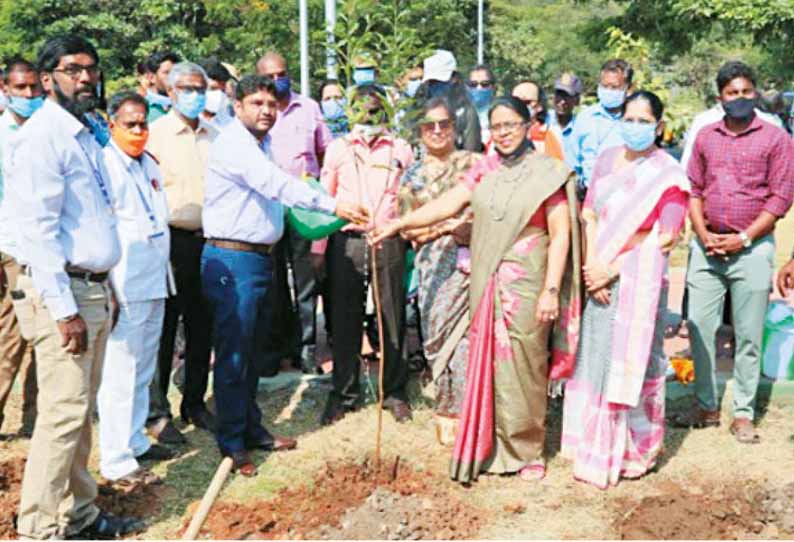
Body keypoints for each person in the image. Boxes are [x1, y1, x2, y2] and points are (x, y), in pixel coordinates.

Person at [373, 96, 581, 483]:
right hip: (486, 281)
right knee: (488, 362)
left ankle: (527, 448)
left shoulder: (548, 172)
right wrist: (398, 225)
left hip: (529, 281)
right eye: (496, 127)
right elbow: (449, 204)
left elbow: (561, 233)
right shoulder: (485, 168)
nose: (503, 134)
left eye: (510, 125)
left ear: (528, 124)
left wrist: (552, 288)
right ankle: (489, 442)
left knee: (525, 364)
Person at [202, 74, 368, 476]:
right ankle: (233, 443)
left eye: (272, 105)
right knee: (234, 353)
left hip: (260, 258)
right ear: (237, 106)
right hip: (233, 260)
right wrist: (332, 206)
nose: (265, 111)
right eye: (256, 103)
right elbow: (274, 184)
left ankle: (252, 428)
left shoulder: (263, 143)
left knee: (254, 351)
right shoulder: (234, 145)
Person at [12, 34, 143, 539]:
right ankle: (40, 528)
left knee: (79, 413)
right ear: (48, 79)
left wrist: (104, 285)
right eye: (73, 69)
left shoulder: (83, 132)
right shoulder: (42, 137)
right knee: (63, 417)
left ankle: (80, 514)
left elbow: (90, 221)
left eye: (91, 68)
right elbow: (38, 232)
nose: (86, 78)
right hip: (60, 294)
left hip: (90, 288)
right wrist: (66, 309)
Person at [561, 91, 690, 489]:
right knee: (597, 358)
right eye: (629, 119)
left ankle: (634, 451)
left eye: (642, 120)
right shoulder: (605, 159)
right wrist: (592, 267)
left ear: (658, 124)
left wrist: (612, 270)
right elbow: (589, 215)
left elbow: (664, 237)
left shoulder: (668, 175)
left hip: (635, 283)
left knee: (634, 364)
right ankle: (591, 445)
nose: (634, 127)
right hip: (596, 274)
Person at [671, 61, 794, 444]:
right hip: (707, 247)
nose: (739, 99)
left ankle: (742, 411)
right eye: (731, 93)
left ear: (754, 92)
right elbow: (693, 187)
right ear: (720, 97)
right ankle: (706, 405)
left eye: (745, 92)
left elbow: (781, 196)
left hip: (752, 249)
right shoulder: (707, 136)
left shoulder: (775, 139)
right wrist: (702, 231)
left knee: (748, 334)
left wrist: (743, 238)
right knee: (699, 327)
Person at [312, 84, 414, 425]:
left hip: (388, 239)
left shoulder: (400, 148)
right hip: (347, 242)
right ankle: (344, 393)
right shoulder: (339, 149)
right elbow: (325, 201)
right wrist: (318, 250)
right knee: (344, 319)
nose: (369, 117)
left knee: (392, 316)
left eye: (376, 110)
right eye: (362, 110)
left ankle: (395, 391)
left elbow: (408, 196)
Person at [97, 92, 174, 486]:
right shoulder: (104, 167)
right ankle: (115, 458)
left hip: (155, 278)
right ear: (112, 125)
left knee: (144, 367)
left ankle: (135, 440)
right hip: (125, 282)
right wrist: (108, 287)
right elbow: (104, 228)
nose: (139, 130)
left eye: (143, 122)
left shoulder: (148, 163)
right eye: (131, 124)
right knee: (120, 372)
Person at [396, 97, 479, 443]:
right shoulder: (411, 175)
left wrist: (464, 227)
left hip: (474, 259)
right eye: (430, 125)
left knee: (469, 336)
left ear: (455, 128)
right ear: (419, 131)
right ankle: (446, 406)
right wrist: (442, 228)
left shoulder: (475, 164)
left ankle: (469, 408)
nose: (438, 131)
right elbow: (406, 228)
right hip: (432, 263)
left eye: (444, 124)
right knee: (437, 334)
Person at [146, 61, 217, 444]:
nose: (194, 95)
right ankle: (158, 413)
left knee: (202, 326)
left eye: (199, 88)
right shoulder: (155, 135)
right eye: (187, 89)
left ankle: (194, 402)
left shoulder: (215, 136)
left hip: (210, 241)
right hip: (169, 242)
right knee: (164, 327)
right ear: (171, 93)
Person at [256, 51, 334, 375]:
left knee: (305, 282)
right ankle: (277, 350)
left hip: (304, 208)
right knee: (273, 283)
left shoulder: (309, 108)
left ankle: (306, 349)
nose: (278, 80)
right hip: (269, 206)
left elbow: (325, 152)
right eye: (271, 76)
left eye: (282, 74)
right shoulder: (258, 113)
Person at [0, 58, 42, 438]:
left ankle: (36, 417)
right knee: (13, 336)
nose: (29, 95)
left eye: (34, 88)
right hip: (13, 247)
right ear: (5, 89)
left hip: (45, 246)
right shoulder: (2, 135)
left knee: (46, 336)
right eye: (21, 89)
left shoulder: (48, 130)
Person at [571, 58, 633, 197]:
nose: (608, 91)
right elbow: (573, 163)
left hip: (625, 198)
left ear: (628, 89)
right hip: (588, 196)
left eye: (614, 87)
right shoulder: (585, 117)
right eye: (605, 86)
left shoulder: (633, 119)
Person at [416, 50, 482, 151]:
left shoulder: (466, 113)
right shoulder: (419, 111)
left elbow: (472, 153)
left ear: (454, 78)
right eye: (432, 82)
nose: (436, 86)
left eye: (440, 81)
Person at [512, 80, 563, 159]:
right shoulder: (500, 133)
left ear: (539, 106)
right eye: (515, 102)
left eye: (526, 102)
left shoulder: (551, 135)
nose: (519, 106)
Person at [548, 73, 583, 169]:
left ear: (577, 100)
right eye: (559, 95)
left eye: (567, 96)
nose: (562, 101)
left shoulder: (582, 127)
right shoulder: (542, 122)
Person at [144, 51, 180, 123]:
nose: (174, 77)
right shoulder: (141, 108)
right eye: (167, 73)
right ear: (151, 78)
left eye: (176, 72)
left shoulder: (187, 103)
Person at [199, 57, 233, 128]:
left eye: (222, 91)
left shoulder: (229, 122)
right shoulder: (183, 121)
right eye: (213, 89)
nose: (219, 95)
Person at [467, 65, 496, 144]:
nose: (478, 88)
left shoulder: (500, 113)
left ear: (493, 87)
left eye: (484, 84)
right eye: (473, 84)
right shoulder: (458, 115)